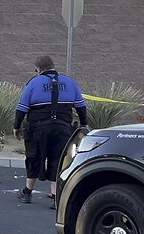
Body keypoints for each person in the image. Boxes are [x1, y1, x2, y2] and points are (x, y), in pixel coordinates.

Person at [12, 55, 88, 208]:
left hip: (38, 129)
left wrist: (17, 126)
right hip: (63, 129)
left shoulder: (33, 83)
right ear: (53, 67)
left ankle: (27, 193)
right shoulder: (69, 82)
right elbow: (81, 106)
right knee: (58, 161)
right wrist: (84, 124)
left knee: (33, 157)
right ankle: (55, 198)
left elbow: (22, 109)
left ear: (38, 69)